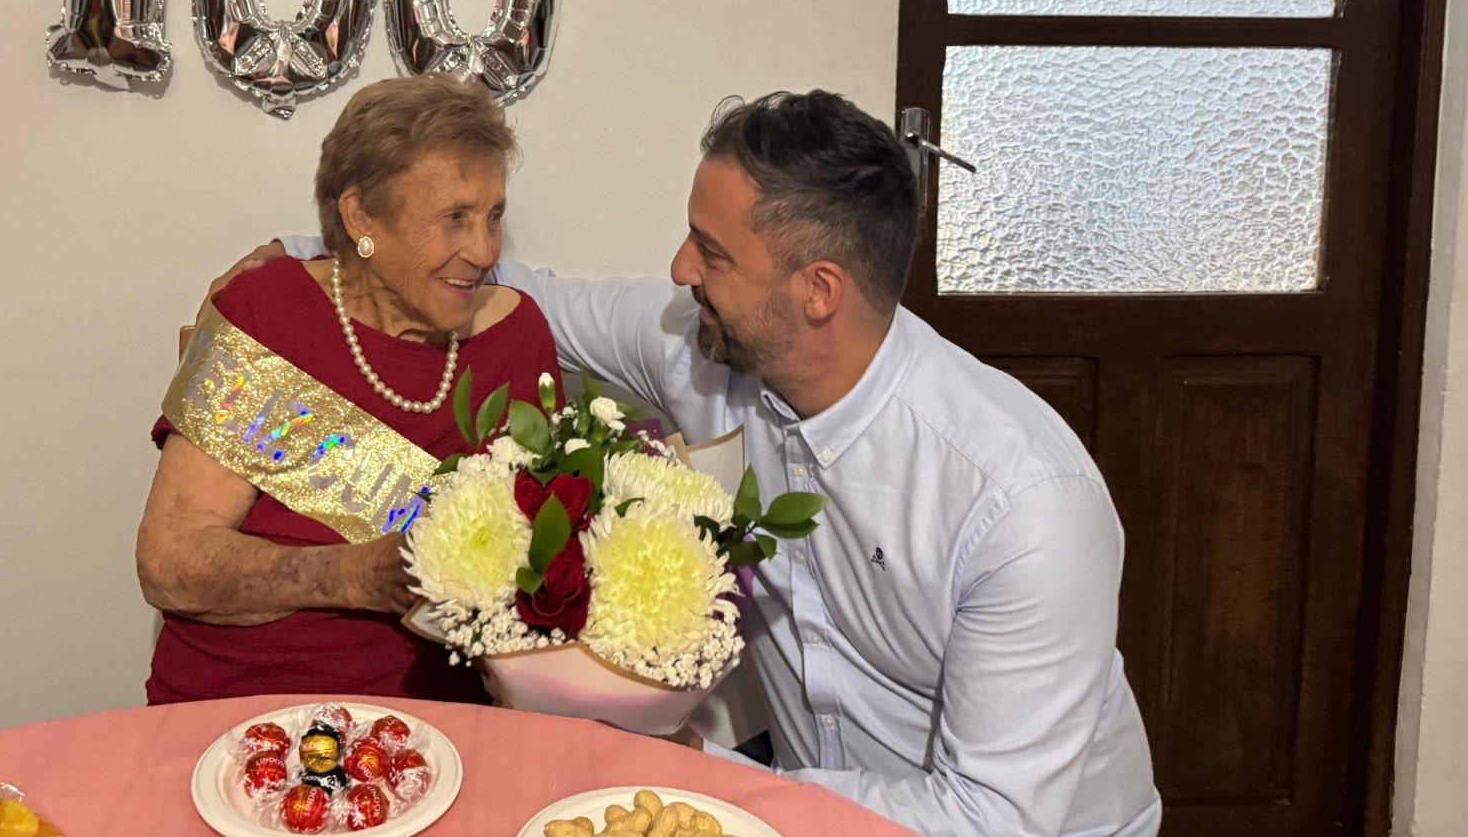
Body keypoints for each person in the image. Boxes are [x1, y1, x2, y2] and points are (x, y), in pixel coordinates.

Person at [247, 90, 1160, 837]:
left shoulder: (1023, 501)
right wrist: (306, 264)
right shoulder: (704, 344)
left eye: (712, 252)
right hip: (794, 800)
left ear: (818, 293)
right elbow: (540, 299)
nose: (680, 268)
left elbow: (994, 819)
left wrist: (692, 772)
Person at [136, 74, 561, 705]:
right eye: (455, 219)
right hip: (240, 704)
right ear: (362, 215)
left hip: (437, 721)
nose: (482, 250)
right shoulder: (265, 310)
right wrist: (356, 576)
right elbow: (170, 563)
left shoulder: (518, 337)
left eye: (493, 216)